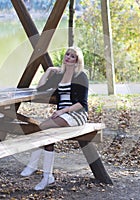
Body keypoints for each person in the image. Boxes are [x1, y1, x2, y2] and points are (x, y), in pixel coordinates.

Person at [20, 46, 89, 190]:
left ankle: (35, 167)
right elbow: (40, 89)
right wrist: (48, 71)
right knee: (46, 134)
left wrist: (63, 111)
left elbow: (82, 103)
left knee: (43, 127)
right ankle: (47, 176)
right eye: (67, 54)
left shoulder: (81, 76)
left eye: (72, 56)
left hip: (77, 114)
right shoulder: (58, 75)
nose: (68, 57)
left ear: (77, 61)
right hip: (62, 115)